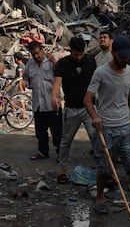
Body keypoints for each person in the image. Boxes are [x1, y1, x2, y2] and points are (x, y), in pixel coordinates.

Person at [85, 35, 130, 224]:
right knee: (104, 169)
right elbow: (88, 99)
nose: (125, 60)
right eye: (122, 56)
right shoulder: (100, 73)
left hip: (127, 127)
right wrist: (95, 117)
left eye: (128, 56)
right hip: (106, 128)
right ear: (114, 53)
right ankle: (100, 196)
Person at [52, 36, 97, 183]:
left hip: (89, 107)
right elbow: (57, 83)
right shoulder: (63, 64)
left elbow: (96, 82)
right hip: (71, 108)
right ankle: (63, 170)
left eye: (81, 54)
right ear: (70, 51)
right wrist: (54, 97)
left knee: (96, 138)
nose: (78, 57)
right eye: (76, 54)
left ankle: (103, 170)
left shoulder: (90, 61)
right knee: (66, 140)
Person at [23, 41, 62, 160]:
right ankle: (43, 152)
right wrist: (25, 80)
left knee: (57, 131)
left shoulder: (50, 62)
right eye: (33, 54)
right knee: (40, 132)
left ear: (42, 51)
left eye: (38, 53)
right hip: (38, 103)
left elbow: (61, 74)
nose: (36, 56)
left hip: (52, 103)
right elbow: (26, 76)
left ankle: (61, 154)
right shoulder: (30, 64)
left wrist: (55, 62)